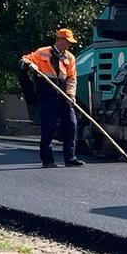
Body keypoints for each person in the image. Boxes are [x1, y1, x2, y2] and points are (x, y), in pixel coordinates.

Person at [21, 28, 84, 168]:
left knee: (71, 126)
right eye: (67, 42)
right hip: (47, 96)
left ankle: (70, 158)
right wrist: (29, 64)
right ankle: (47, 160)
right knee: (48, 128)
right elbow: (26, 59)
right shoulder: (42, 52)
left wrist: (71, 95)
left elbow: (71, 79)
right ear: (60, 40)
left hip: (63, 96)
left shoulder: (70, 58)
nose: (69, 45)